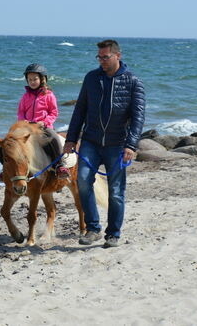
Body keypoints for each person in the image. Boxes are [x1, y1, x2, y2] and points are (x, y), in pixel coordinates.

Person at [62, 39, 145, 248]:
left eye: (105, 57)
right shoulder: (91, 78)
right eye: (99, 57)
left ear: (118, 55)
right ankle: (93, 229)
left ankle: (113, 233)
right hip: (90, 141)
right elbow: (80, 109)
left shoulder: (133, 81)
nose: (102, 61)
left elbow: (138, 117)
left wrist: (131, 145)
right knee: (82, 182)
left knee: (116, 191)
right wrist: (71, 139)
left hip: (117, 144)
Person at [0, 63, 69, 182]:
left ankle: (60, 165)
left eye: (35, 79)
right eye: (30, 79)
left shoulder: (49, 95)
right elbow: (21, 112)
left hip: (43, 127)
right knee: (7, 143)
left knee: (54, 137)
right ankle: (5, 170)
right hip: (27, 127)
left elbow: (53, 112)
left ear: (42, 79)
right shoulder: (25, 96)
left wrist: (44, 122)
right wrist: (22, 121)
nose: (32, 82)